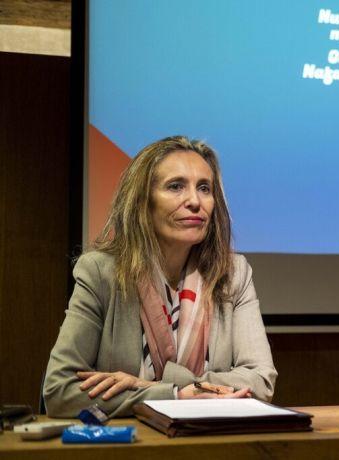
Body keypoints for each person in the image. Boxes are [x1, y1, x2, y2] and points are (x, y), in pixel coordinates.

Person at [44, 136, 277, 417]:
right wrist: (173, 395)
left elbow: (261, 382)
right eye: (176, 186)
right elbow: (59, 391)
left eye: (204, 188)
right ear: (143, 202)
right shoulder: (99, 272)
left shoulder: (234, 274)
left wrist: (150, 385)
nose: (194, 201)